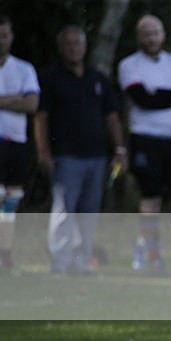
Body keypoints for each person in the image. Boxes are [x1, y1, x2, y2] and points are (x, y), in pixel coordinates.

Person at [35, 25, 126, 275]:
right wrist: (43, 152)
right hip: (65, 157)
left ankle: (81, 262)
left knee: (88, 214)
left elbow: (112, 116)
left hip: (97, 158)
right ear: (60, 48)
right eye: (69, 43)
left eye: (78, 43)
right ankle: (60, 263)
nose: (74, 48)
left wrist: (119, 148)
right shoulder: (50, 79)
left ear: (85, 47)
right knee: (64, 211)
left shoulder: (97, 79)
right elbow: (41, 117)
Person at [118, 15, 171, 276]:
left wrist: (160, 93)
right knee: (150, 199)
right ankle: (154, 257)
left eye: (155, 32)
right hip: (145, 139)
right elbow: (143, 100)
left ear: (163, 34)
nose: (151, 38)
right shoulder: (129, 65)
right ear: (139, 37)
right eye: (146, 34)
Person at [0, 15, 39, 276]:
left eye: (4, 35)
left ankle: (6, 257)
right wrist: (14, 99)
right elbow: (21, 101)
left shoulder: (24, 69)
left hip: (16, 145)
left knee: (11, 202)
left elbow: (31, 104)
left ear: (11, 36)